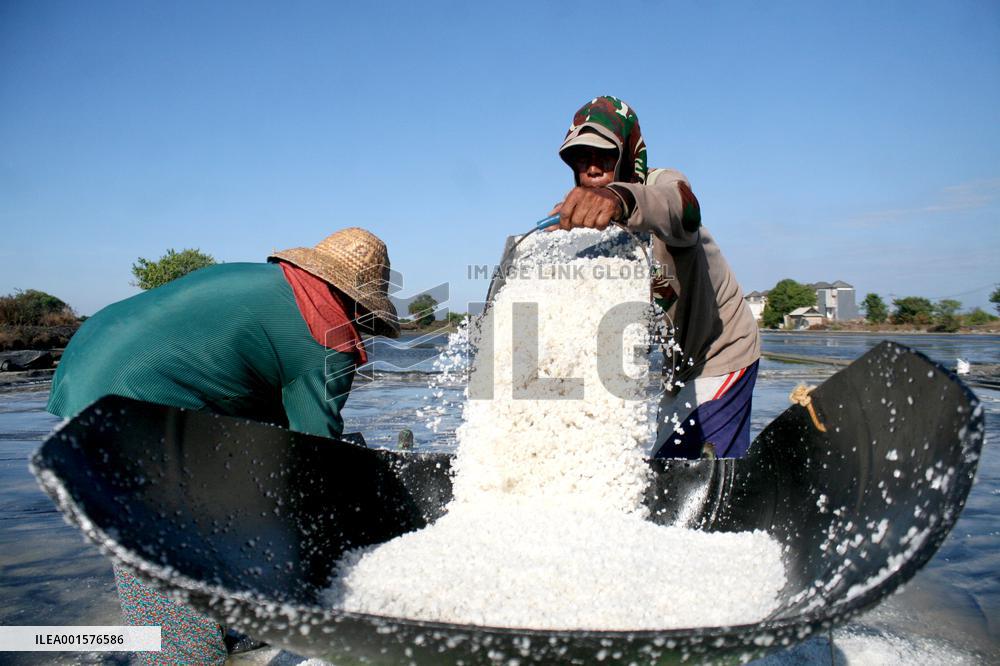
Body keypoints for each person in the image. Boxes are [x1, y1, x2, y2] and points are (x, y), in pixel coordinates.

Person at [47, 226, 399, 664]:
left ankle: (214, 623)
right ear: (359, 305)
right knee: (171, 527)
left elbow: (238, 386)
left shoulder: (261, 282)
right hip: (137, 397)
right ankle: (184, 654)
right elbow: (313, 452)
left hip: (86, 359)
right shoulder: (327, 336)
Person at [551, 95, 761, 459]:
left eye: (605, 155)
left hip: (720, 350)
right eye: (582, 158)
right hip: (676, 370)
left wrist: (618, 198)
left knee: (703, 477)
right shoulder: (589, 230)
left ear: (629, 155)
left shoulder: (661, 187)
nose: (593, 169)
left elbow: (683, 209)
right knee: (666, 467)